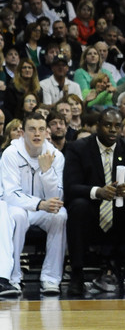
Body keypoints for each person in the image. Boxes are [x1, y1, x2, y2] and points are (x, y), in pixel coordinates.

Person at [63, 107, 125, 297]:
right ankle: (77, 275)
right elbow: (71, 187)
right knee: (78, 207)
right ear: (98, 126)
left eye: (117, 126)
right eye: (107, 125)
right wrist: (98, 192)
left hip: (122, 214)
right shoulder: (78, 148)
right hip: (92, 213)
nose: (113, 130)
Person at [1, 112, 67, 295]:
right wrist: (39, 204)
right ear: (22, 133)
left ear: (47, 132)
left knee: (60, 215)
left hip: (43, 209)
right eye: (32, 129)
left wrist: (47, 173)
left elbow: (57, 197)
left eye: (41, 129)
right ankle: (13, 277)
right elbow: (10, 194)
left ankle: (51, 279)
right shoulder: (10, 154)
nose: (37, 134)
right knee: (17, 216)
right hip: (18, 207)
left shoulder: (56, 156)